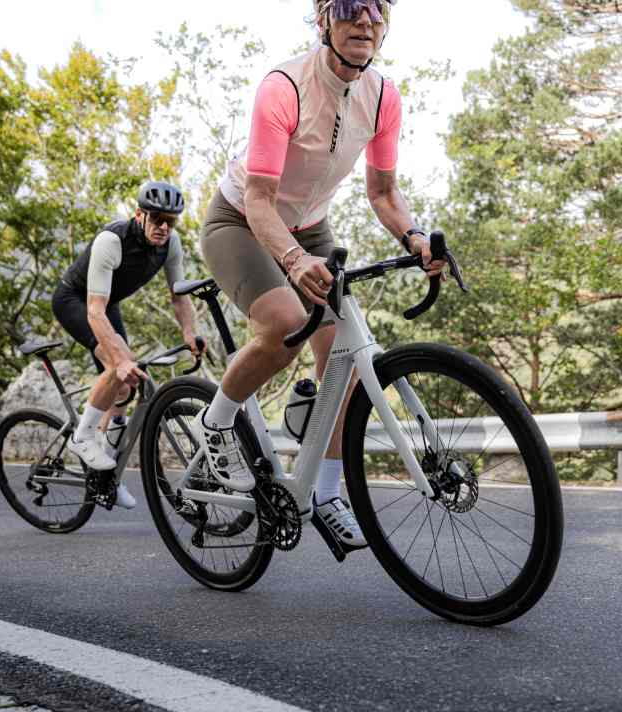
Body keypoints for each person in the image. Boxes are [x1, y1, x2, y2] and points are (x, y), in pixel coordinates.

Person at [197, 0, 445, 546]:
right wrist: (291, 261)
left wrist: (415, 238)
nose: (366, 21)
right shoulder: (284, 87)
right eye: (352, 8)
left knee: (345, 354)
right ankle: (215, 423)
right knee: (286, 327)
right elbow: (260, 200)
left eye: (378, 10)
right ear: (323, 21)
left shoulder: (383, 96)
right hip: (240, 219)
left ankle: (326, 492)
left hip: (311, 226)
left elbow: (382, 193)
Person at [52, 180, 199, 509]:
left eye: (170, 221)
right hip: (76, 301)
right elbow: (93, 310)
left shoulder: (170, 245)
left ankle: (107, 474)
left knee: (124, 390)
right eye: (157, 218)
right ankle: (83, 437)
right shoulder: (111, 240)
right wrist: (118, 359)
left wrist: (189, 333)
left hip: (107, 304)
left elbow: (179, 298)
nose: (163, 226)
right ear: (139, 215)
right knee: (116, 364)